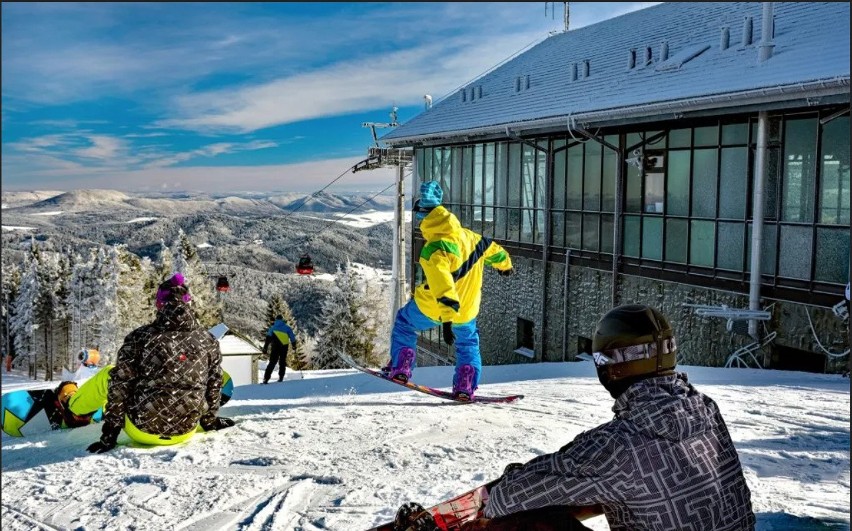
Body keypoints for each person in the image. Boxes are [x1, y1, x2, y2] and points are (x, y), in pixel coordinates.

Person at [477, 304, 756, 530]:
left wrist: (514, 479)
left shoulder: (619, 445)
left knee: (530, 518)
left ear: (612, 368)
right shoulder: (707, 409)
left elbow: (506, 498)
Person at [385, 180, 514, 400]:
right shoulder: (473, 238)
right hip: (467, 310)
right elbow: (497, 251)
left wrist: (446, 318)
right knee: (467, 344)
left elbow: (442, 282)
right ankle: (465, 385)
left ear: (425, 217)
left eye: (418, 215)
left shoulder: (433, 248)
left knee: (404, 323)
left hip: (435, 307)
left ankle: (402, 365)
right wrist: (506, 265)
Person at [79, 272, 234, 454]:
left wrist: (109, 436)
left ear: (159, 305)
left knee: (110, 373)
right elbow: (215, 383)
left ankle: (72, 410)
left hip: (142, 430)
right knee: (210, 373)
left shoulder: (141, 336)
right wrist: (209, 422)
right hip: (186, 431)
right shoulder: (207, 339)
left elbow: (120, 385)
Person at [262, 315, 297, 383]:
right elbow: (292, 337)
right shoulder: (287, 328)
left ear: (276, 320)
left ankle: (266, 378)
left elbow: (268, 339)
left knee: (272, 362)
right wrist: (294, 346)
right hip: (284, 347)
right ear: (282, 319)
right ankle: (281, 378)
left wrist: (265, 348)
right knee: (282, 362)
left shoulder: (272, 328)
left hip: (275, 347)